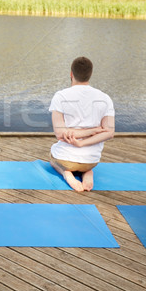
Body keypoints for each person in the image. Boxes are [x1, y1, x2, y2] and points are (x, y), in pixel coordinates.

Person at [48, 57, 115, 191]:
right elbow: (109, 133)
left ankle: (67, 174)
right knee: (85, 164)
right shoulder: (105, 98)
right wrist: (87, 136)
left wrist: (78, 140)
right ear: (90, 74)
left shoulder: (60, 96)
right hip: (91, 161)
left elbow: (60, 134)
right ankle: (86, 172)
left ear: (71, 74)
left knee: (52, 158)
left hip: (64, 160)